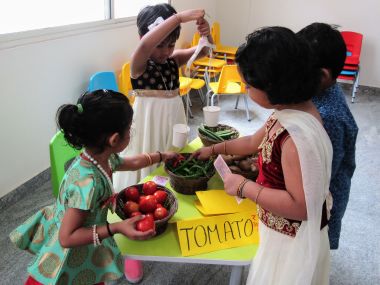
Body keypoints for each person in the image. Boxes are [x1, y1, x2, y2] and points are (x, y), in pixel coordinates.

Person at [194, 27, 332, 284]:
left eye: (247, 85)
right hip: (279, 231)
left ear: (273, 86)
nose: (245, 89)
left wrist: (244, 186)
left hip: (291, 244)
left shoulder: (294, 139)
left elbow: (300, 207)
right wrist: (213, 149)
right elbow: (251, 142)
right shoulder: (291, 110)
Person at [9, 89, 178, 285]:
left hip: (84, 234)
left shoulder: (100, 157)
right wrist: (117, 227)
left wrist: (161, 156)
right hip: (71, 254)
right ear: (114, 139)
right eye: (129, 129)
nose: (131, 132)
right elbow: (67, 237)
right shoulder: (89, 184)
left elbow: (131, 162)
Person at [113, 3, 213, 189]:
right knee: (149, 152)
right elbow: (145, 46)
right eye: (160, 46)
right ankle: (146, 189)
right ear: (144, 37)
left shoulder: (173, 60)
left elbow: (205, 50)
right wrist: (178, 18)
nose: (166, 51)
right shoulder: (138, 65)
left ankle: (169, 188)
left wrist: (205, 33)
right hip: (148, 121)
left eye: (171, 45)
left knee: (173, 151)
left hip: (173, 117)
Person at [297, 23, 359, 250]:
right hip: (321, 189)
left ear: (322, 75)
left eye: (298, 68)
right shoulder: (320, 92)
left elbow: (319, 175)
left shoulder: (328, 118)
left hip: (326, 196)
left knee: (313, 245)